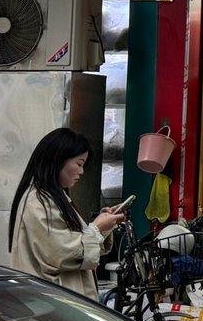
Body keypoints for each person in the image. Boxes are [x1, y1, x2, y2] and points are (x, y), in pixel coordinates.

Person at [8, 127, 127, 300]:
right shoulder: (38, 202)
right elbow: (61, 252)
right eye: (79, 164)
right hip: (53, 303)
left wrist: (103, 227)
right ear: (57, 160)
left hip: (60, 302)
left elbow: (74, 245)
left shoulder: (51, 197)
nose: (81, 171)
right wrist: (96, 228)